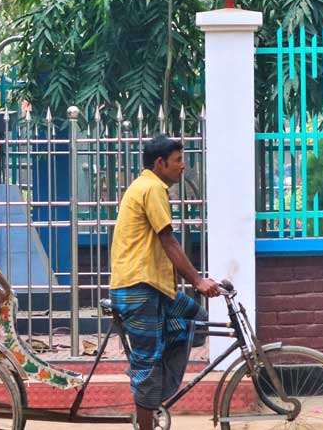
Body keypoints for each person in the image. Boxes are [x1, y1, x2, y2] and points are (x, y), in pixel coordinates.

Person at [109, 135, 220, 430]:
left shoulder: (147, 186)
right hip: (138, 289)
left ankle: (154, 393)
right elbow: (168, 241)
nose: (183, 167)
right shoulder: (152, 188)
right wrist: (197, 281)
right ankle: (146, 414)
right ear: (160, 163)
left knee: (196, 317)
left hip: (153, 288)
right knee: (147, 363)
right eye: (178, 161)